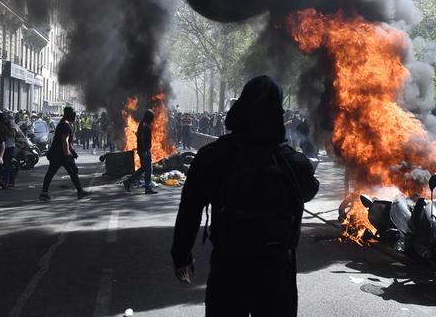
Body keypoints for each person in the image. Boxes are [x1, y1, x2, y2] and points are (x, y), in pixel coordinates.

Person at [171, 76, 320, 317]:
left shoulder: (212, 156)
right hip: (277, 273)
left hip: (228, 270)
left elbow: (189, 209)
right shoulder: (291, 161)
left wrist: (181, 256)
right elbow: (310, 190)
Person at [39, 107, 88, 201]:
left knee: (53, 173)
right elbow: (64, 141)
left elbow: (69, 142)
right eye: (73, 114)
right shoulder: (65, 125)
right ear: (68, 115)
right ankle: (80, 191)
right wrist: (68, 155)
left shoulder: (65, 123)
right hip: (60, 154)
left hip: (57, 153)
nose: (75, 116)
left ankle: (44, 193)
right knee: (72, 172)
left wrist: (73, 152)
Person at [123, 109, 158, 194]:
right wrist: (145, 149)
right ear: (148, 116)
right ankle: (147, 187)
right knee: (147, 168)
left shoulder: (145, 124)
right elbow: (142, 138)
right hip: (144, 150)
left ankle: (129, 182)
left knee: (144, 168)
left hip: (145, 149)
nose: (153, 119)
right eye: (152, 117)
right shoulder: (144, 125)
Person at [0, 112, 18, 190]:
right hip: (0, 147)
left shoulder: (11, 125)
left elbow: (13, 134)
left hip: (9, 147)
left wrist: (4, 128)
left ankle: (7, 182)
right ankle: (2, 181)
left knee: (7, 165)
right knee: (0, 165)